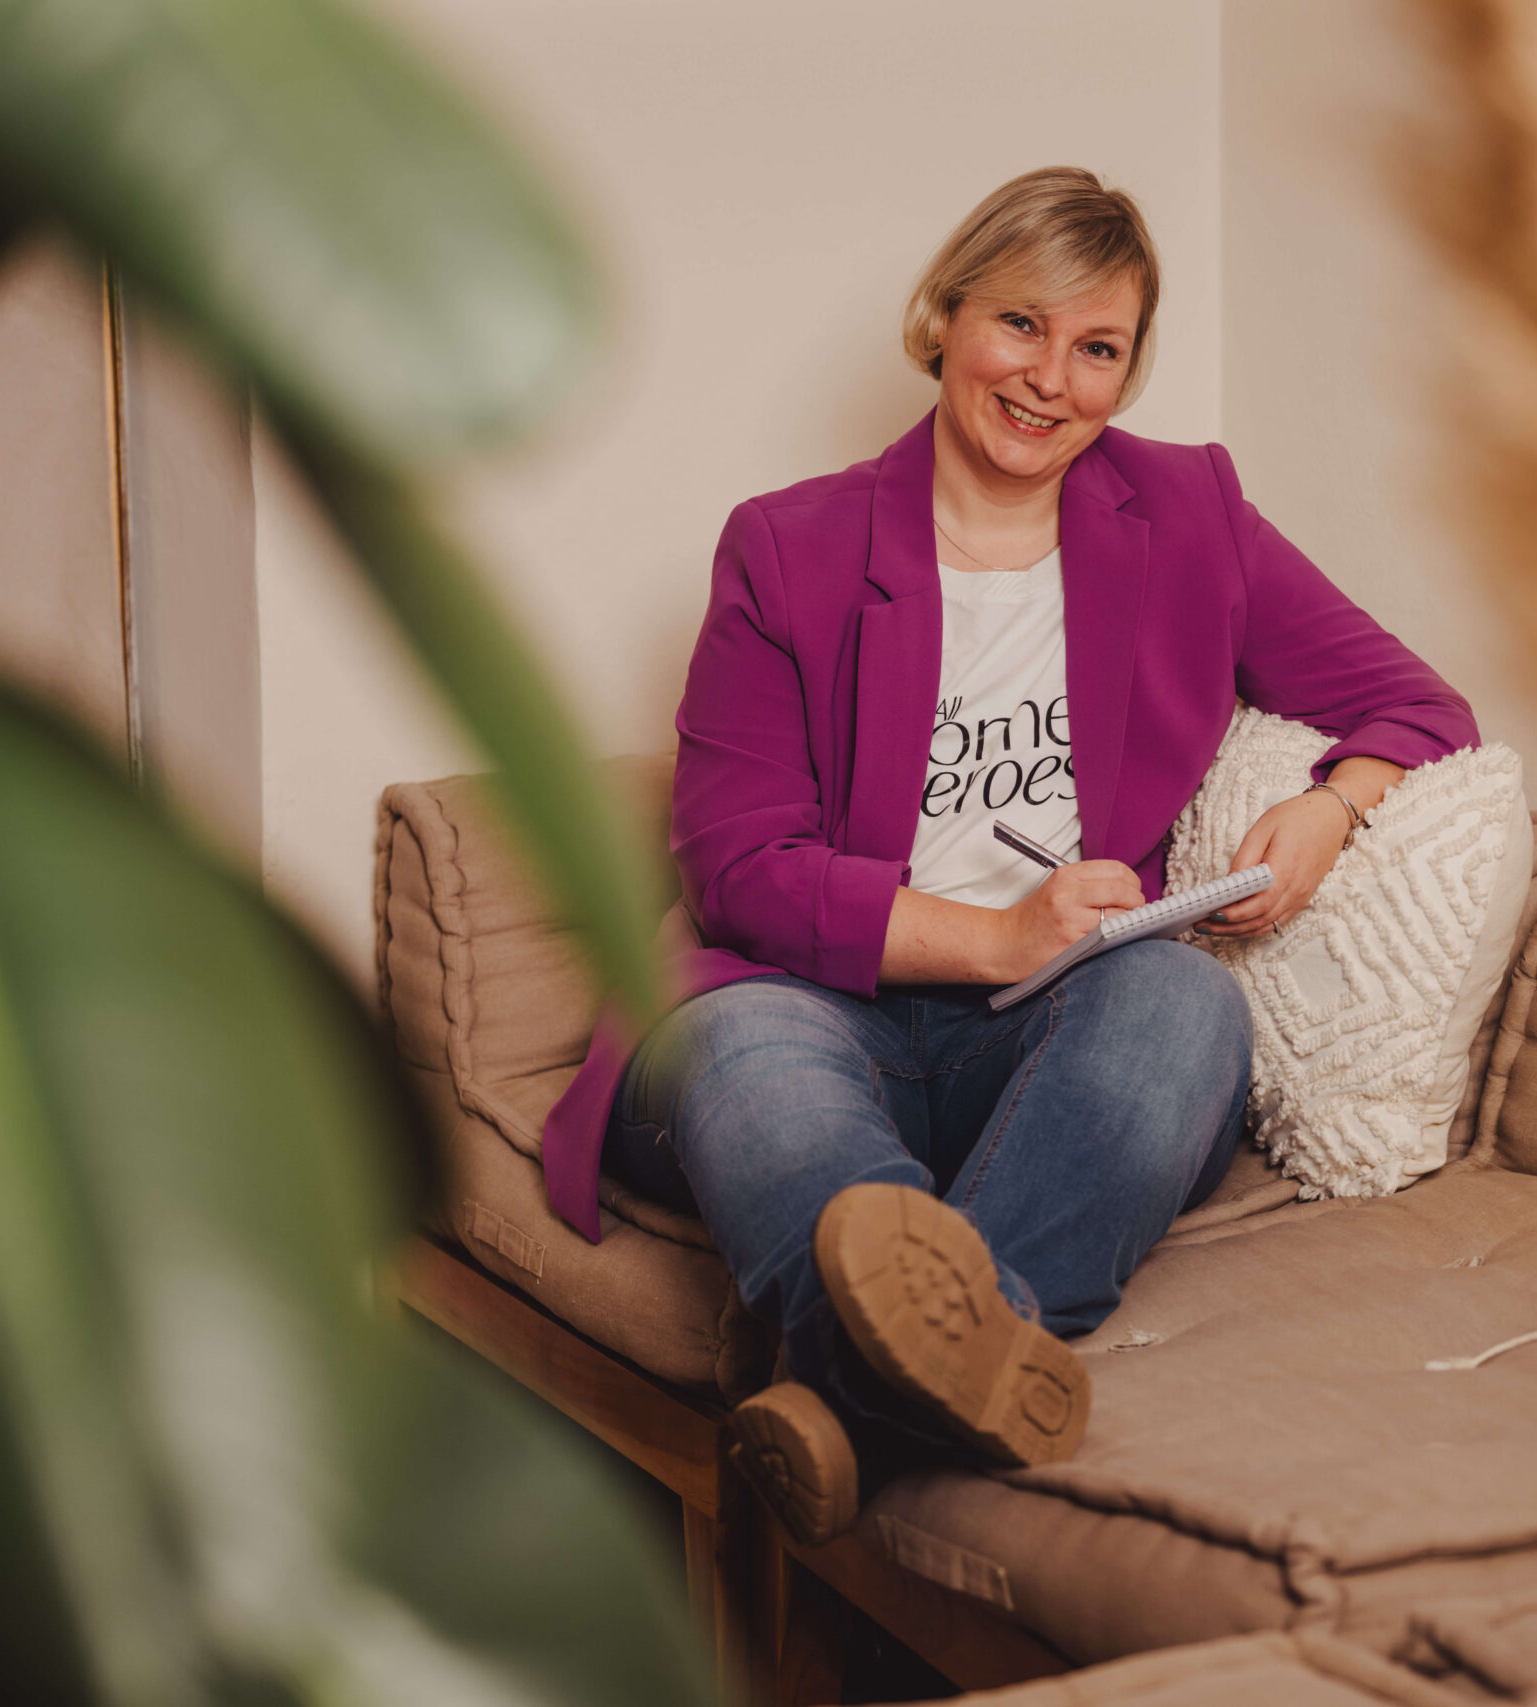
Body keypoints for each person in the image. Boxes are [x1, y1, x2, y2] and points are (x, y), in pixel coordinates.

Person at [538, 167, 1477, 1543]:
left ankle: (848, 1412)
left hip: (1041, 1043)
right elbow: (734, 867)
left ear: (1127, 375)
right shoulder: (789, 548)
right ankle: (957, 1369)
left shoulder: (1190, 514)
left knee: (1185, 1002)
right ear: (944, 318)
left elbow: (1415, 703)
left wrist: (1335, 806)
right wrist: (992, 935)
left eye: (1097, 348)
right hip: (803, 1005)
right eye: (1021, 325)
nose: (1050, 379)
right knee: (742, 1056)